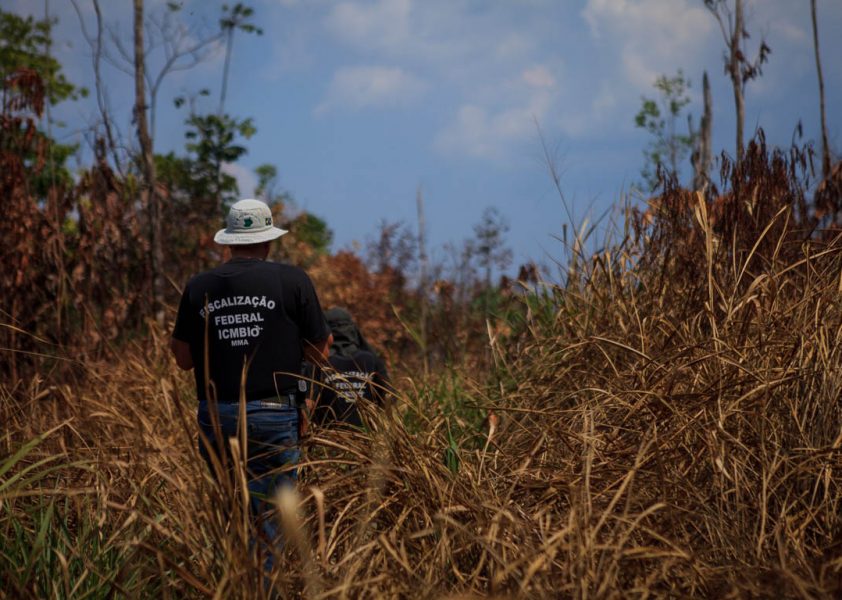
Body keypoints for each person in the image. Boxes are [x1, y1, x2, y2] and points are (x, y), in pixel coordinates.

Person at [169, 198, 331, 554]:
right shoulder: (292, 281)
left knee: (232, 514)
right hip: (275, 416)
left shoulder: (198, 286)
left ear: (228, 242)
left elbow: (183, 359)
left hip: (218, 417)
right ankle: (263, 581)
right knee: (270, 520)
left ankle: (231, 576)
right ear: (269, 240)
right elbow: (320, 352)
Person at [312, 307, 390, 428]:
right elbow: (388, 397)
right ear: (353, 329)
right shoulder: (371, 360)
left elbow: (310, 402)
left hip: (328, 436)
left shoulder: (318, 362)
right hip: (366, 436)